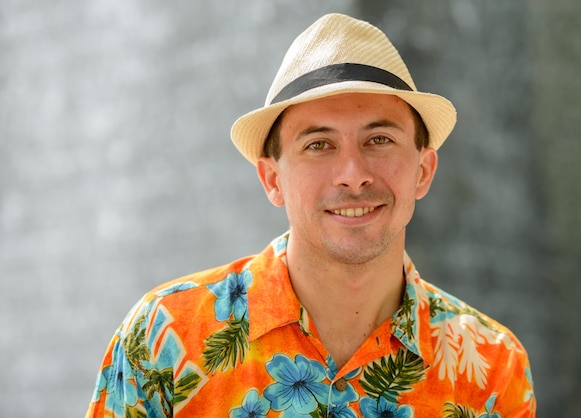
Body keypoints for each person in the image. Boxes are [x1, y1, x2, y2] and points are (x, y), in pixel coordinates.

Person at [86, 13, 535, 417]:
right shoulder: (164, 336)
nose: (353, 175)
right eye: (318, 145)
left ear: (423, 170)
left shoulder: (491, 364)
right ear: (272, 180)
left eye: (378, 140)